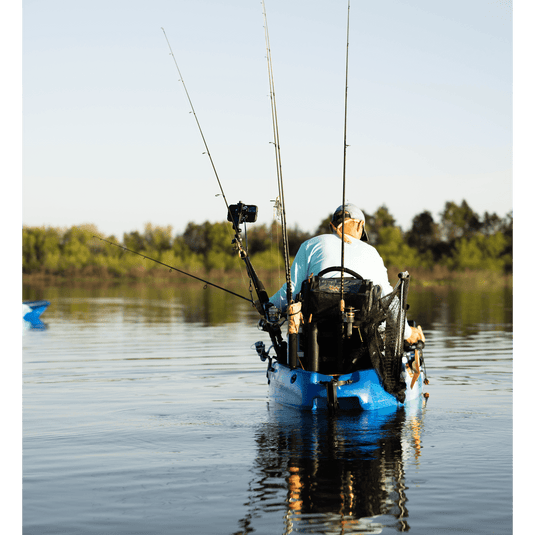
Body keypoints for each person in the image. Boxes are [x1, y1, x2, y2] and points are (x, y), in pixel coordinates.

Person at [269, 203, 424, 344]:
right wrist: (408, 332)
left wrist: (267, 306)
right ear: (360, 225)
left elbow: (291, 291)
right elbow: (387, 298)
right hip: (362, 341)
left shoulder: (310, 245)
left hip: (315, 340)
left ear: (332, 225)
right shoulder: (371, 252)